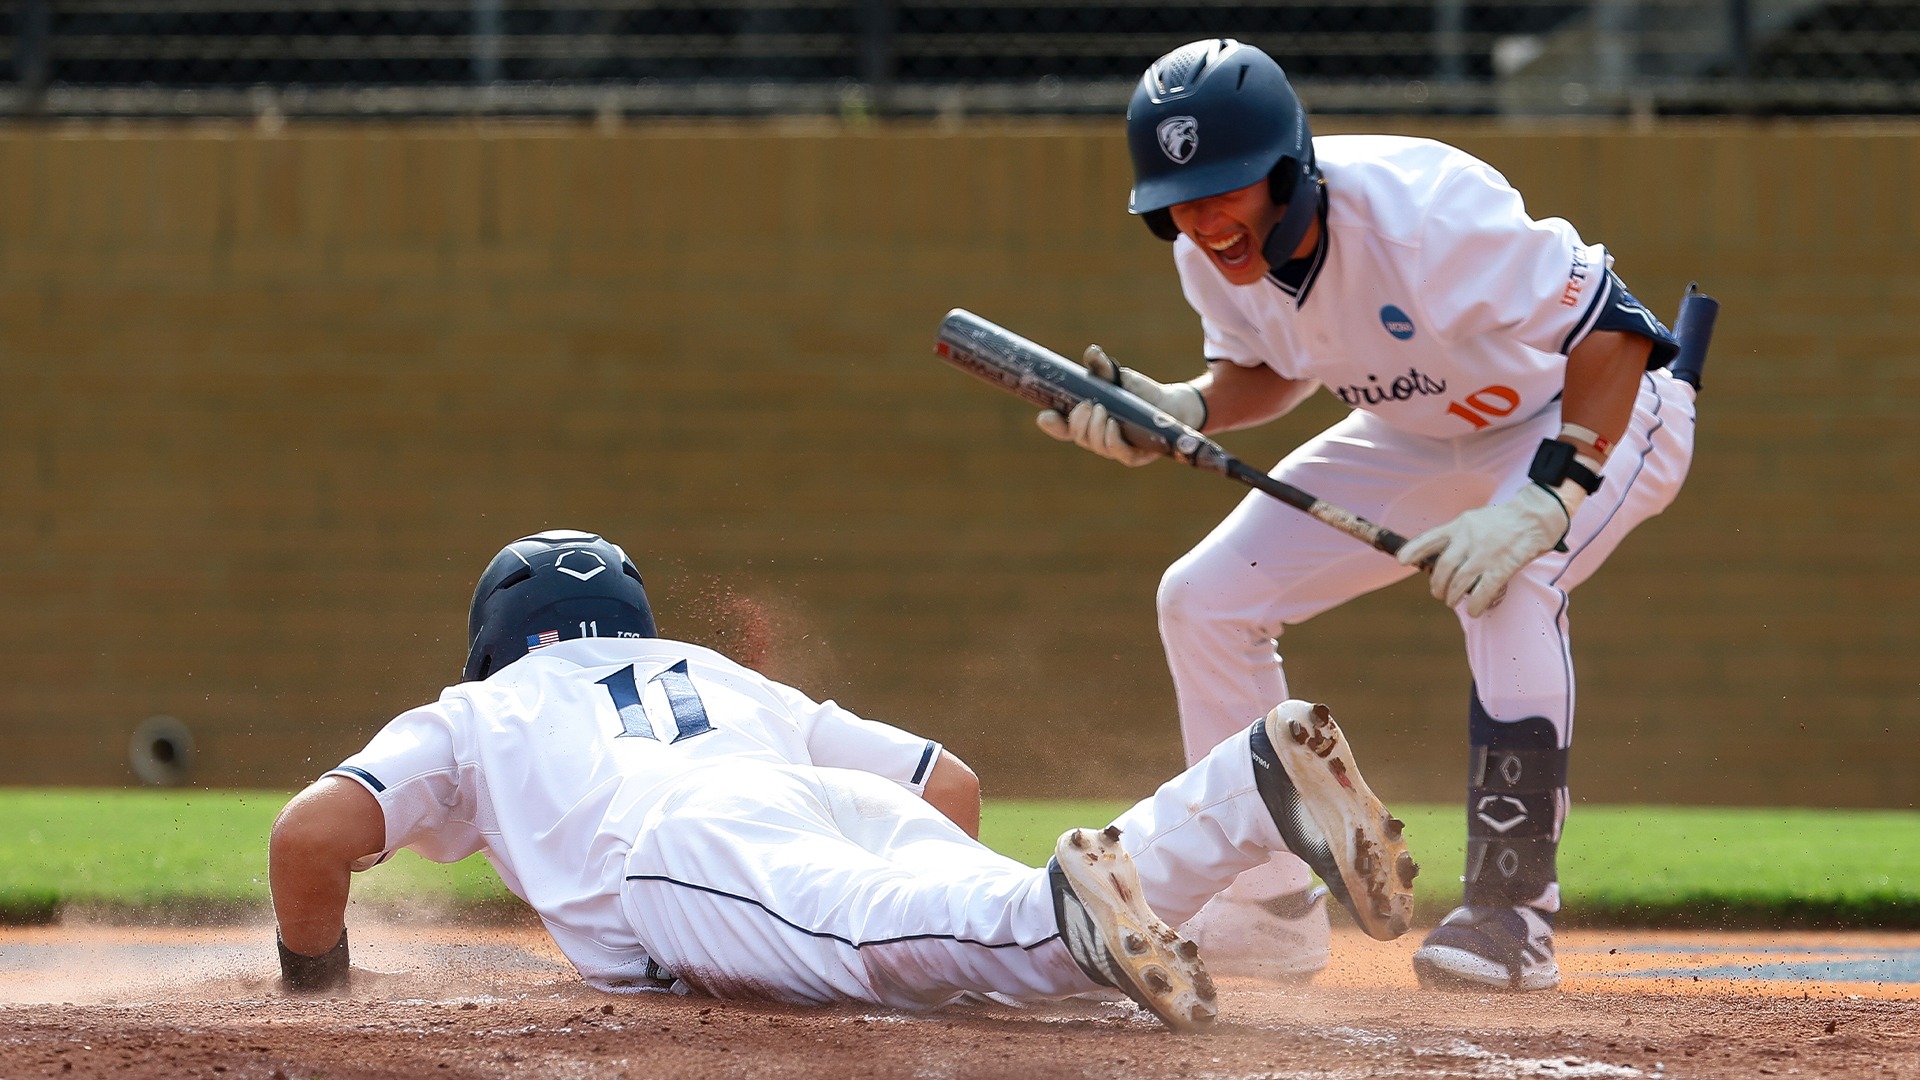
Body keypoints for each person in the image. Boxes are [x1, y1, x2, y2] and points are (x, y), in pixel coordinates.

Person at [1037, 39, 1696, 992]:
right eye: (1177, 198)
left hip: (1596, 412)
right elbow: (1271, 364)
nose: (1201, 218)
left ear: (1287, 171)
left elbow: (1615, 329)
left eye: (1224, 187)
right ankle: (1267, 912)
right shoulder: (1211, 254)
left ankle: (1513, 919)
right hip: (1416, 434)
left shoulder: (1424, 210)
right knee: (1204, 599)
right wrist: (1184, 409)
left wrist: (1548, 498)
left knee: (1507, 583)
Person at [269, 529, 1415, 1031]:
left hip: (681, 853)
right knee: (1020, 950)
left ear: (496, 642)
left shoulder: (483, 704)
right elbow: (947, 783)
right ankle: (1242, 786)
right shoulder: (711, 670)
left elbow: (307, 838)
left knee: (917, 943)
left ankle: (1051, 904)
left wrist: (313, 987)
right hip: (835, 802)